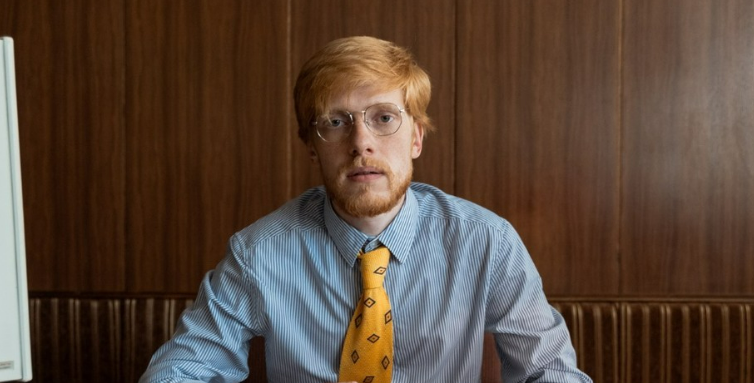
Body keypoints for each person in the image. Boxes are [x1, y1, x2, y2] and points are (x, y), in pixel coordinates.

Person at [140, 36, 592, 383]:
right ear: (313, 149)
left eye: (383, 118)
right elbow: (182, 370)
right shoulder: (258, 252)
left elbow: (549, 372)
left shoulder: (486, 241)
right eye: (335, 122)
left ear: (416, 137)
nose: (361, 143)